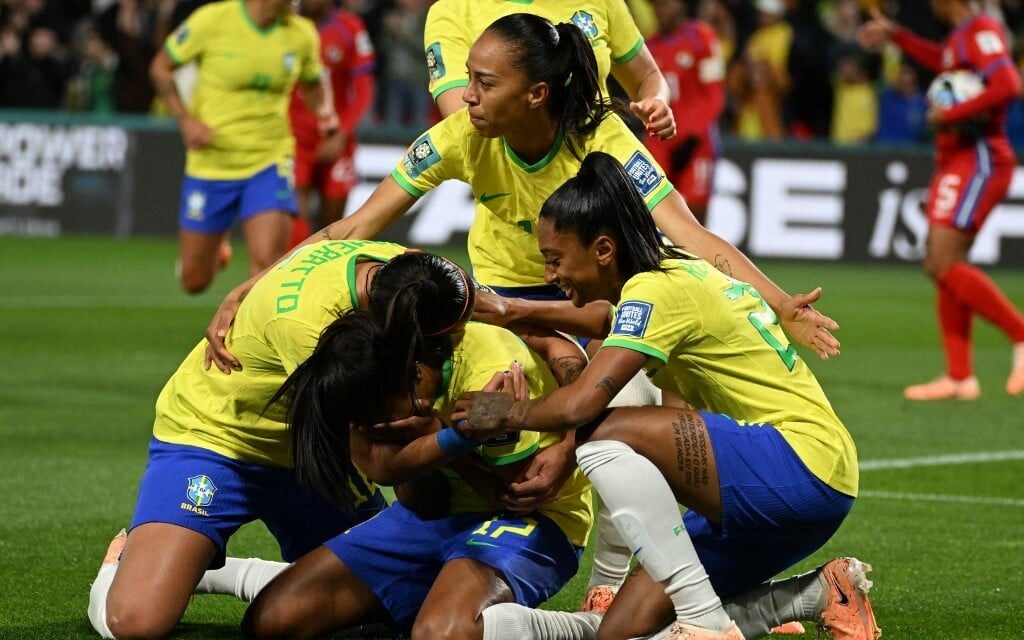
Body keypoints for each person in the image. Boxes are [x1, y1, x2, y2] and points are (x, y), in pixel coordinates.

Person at [205, 14, 839, 369]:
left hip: (596, 296)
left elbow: (690, 236)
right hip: (500, 289)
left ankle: (616, 580)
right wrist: (244, 290)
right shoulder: (458, 133)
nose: (465, 97)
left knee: (622, 398)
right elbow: (348, 231)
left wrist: (781, 303)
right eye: (468, 80)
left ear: (537, 92)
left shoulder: (606, 142)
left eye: (482, 83)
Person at [455, 152, 877, 640]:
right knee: (623, 629)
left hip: (796, 465)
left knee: (601, 429)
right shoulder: (673, 272)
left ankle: (702, 619)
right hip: (807, 483)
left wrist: (502, 413)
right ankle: (820, 592)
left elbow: (579, 406)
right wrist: (515, 310)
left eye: (554, 259)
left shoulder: (657, 293)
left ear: (604, 250)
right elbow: (602, 320)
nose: (550, 274)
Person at [86, 241, 475, 639]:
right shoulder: (309, 327)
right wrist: (453, 441)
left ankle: (219, 573)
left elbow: (323, 239)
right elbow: (384, 462)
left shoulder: (398, 271)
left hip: (305, 448)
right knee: (136, 624)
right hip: (218, 438)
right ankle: (120, 565)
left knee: (394, 607)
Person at [195, 311, 594, 640]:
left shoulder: (491, 373)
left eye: (380, 418)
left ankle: (592, 629)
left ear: (416, 375)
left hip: (532, 518)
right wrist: (447, 441)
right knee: (273, 622)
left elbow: (517, 493)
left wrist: (442, 440)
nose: (376, 427)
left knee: (442, 634)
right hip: (435, 518)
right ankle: (420, 605)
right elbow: (423, 501)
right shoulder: (364, 384)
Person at [858, 1, 1024, 400]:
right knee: (944, 265)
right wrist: (899, 38)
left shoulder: (981, 28)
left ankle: (1019, 335)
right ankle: (960, 376)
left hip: (978, 156)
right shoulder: (961, 36)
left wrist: (952, 115)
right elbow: (944, 60)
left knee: (941, 262)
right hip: (959, 157)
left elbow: (1008, 85)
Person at [149, 0, 338, 294]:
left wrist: (325, 113)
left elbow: (314, 83)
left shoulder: (301, 33)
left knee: (265, 267)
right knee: (194, 281)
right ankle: (217, 251)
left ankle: (247, 338)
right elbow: (161, 67)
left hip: (270, 159)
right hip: (212, 162)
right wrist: (185, 120)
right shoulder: (212, 20)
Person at [423, 0, 677, 140]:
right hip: (515, 208)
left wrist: (656, 102)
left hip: (604, 182)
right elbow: (464, 119)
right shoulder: (453, 11)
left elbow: (648, 76)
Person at [289, 0, 376, 235]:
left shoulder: (350, 28)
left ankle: (323, 269)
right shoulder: (287, 26)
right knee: (295, 217)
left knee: (332, 224)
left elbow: (363, 89)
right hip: (294, 137)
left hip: (336, 135)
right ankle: (293, 268)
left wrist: (342, 133)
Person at [644, 0, 726, 224]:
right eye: (656, 7)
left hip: (697, 143)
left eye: (665, 5)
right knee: (651, 213)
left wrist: (692, 138)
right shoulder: (648, 47)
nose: (661, 11)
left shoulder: (702, 37)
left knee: (696, 220)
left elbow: (715, 93)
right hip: (659, 141)